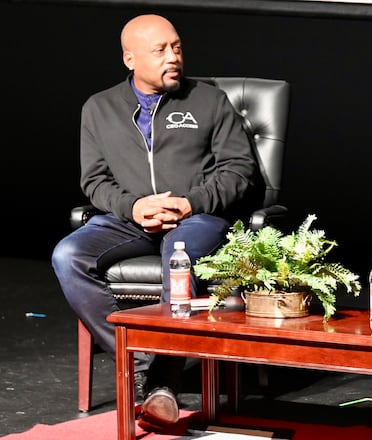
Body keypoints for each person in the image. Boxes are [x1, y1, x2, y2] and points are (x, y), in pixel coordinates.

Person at [51, 14, 263, 430]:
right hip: (128, 218)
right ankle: (144, 367)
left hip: (197, 216)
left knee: (177, 258)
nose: (173, 58)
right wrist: (133, 208)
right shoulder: (99, 107)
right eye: (160, 50)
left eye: (177, 47)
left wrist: (189, 202)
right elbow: (94, 180)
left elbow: (239, 170)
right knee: (67, 255)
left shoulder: (208, 101)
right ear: (130, 59)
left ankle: (162, 380)